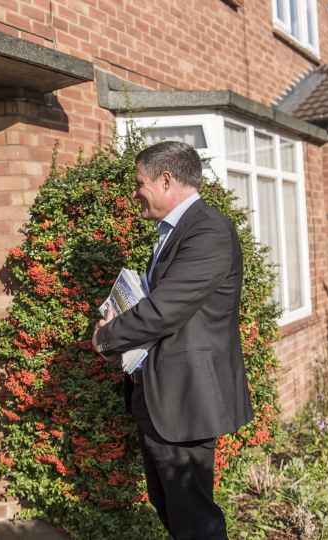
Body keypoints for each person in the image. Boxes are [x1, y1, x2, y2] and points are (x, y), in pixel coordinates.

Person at [91, 141, 253, 540]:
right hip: (160, 396)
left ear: (165, 180)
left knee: (195, 519)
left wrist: (105, 338)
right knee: (172, 509)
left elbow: (165, 310)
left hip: (186, 400)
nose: (134, 193)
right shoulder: (176, 230)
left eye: (138, 183)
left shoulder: (208, 229)